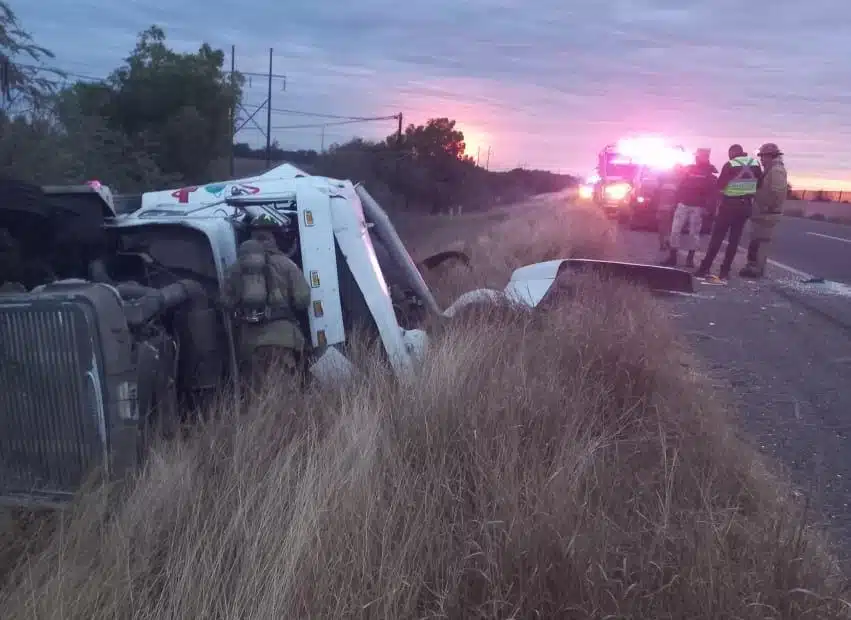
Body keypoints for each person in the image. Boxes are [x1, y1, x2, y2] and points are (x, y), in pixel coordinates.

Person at [221, 215, 312, 393]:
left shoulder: (236, 268)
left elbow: (225, 301)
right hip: (283, 341)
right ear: (274, 237)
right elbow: (303, 300)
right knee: (284, 400)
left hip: (250, 344)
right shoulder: (287, 264)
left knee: (257, 400)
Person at [694, 144, 763, 280]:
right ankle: (725, 271)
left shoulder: (730, 164)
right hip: (745, 206)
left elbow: (720, 186)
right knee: (734, 240)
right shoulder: (755, 163)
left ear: (732, 153)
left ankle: (704, 268)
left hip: (729, 206)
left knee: (717, 238)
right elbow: (760, 184)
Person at [661, 148, 718, 268]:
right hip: (683, 204)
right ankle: (673, 257)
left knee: (694, 234)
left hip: (697, 207)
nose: (697, 158)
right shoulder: (690, 169)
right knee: (675, 231)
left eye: (699, 156)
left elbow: (712, 193)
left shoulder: (709, 172)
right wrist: (676, 202)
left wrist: (709, 209)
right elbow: (680, 186)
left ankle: (689, 259)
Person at [739, 143, 787, 279]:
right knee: (756, 241)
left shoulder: (776, 170)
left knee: (761, 243)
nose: (761, 159)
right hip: (763, 213)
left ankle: (757, 270)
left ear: (771, 156)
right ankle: (753, 267)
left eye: (763, 156)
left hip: (767, 214)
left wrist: (768, 207)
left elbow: (777, 192)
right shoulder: (771, 169)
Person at [656, 165, 682, 251]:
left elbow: (657, 194)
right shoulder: (678, 181)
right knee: (671, 227)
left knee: (663, 226)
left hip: (663, 207)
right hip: (672, 208)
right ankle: (667, 242)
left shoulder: (663, 182)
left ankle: (663, 243)